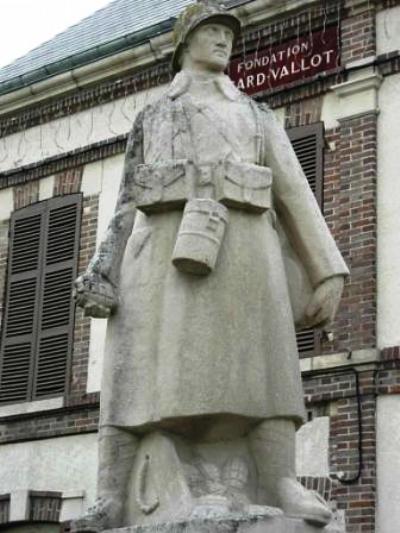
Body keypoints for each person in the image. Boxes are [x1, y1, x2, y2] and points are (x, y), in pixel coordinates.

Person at [73, 1, 349, 530]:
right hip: (161, 257)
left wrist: (326, 270)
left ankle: (279, 480)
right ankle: (111, 494)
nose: (224, 40)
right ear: (185, 44)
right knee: (139, 373)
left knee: (265, 370)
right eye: (211, 31)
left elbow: (295, 193)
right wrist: (103, 269)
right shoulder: (155, 115)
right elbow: (128, 200)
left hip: (245, 251)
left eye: (228, 32)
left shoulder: (255, 114)